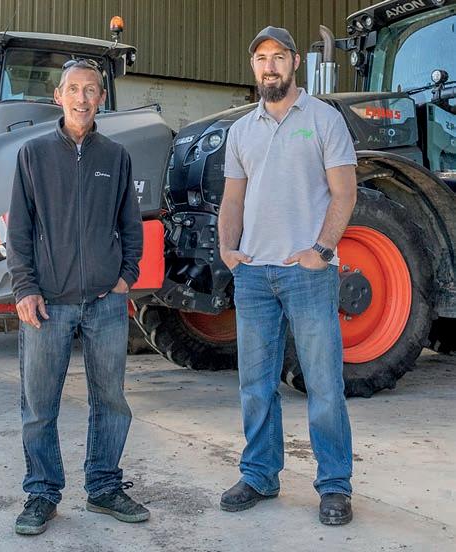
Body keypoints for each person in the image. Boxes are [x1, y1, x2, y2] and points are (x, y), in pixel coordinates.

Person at [218, 26, 357, 525]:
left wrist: (321, 250)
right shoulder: (241, 130)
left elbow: (344, 192)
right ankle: (259, 474)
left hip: (307, 273)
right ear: (253, 67)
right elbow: (233, 199)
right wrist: (228, 250)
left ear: (295, 62)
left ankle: (334, 485)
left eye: (278, 57)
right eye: (261, 58)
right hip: (254, 274)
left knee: (323, 385)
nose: (269, 66)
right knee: (255, 385)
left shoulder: (323, 119)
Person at [7, 59, 149, 535]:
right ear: (58, 96)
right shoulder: (33, 154)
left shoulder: (116, 156)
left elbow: (131, 223)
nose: (83, 98)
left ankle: (104, 487)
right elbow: (19, 228)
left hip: (105, 302)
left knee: (110, 400)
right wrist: (25, 288)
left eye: (91, 90)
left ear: (101, 99)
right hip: (48, 302)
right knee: (39, 404)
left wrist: (126, 276)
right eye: (74, 89)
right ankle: (42, 494)